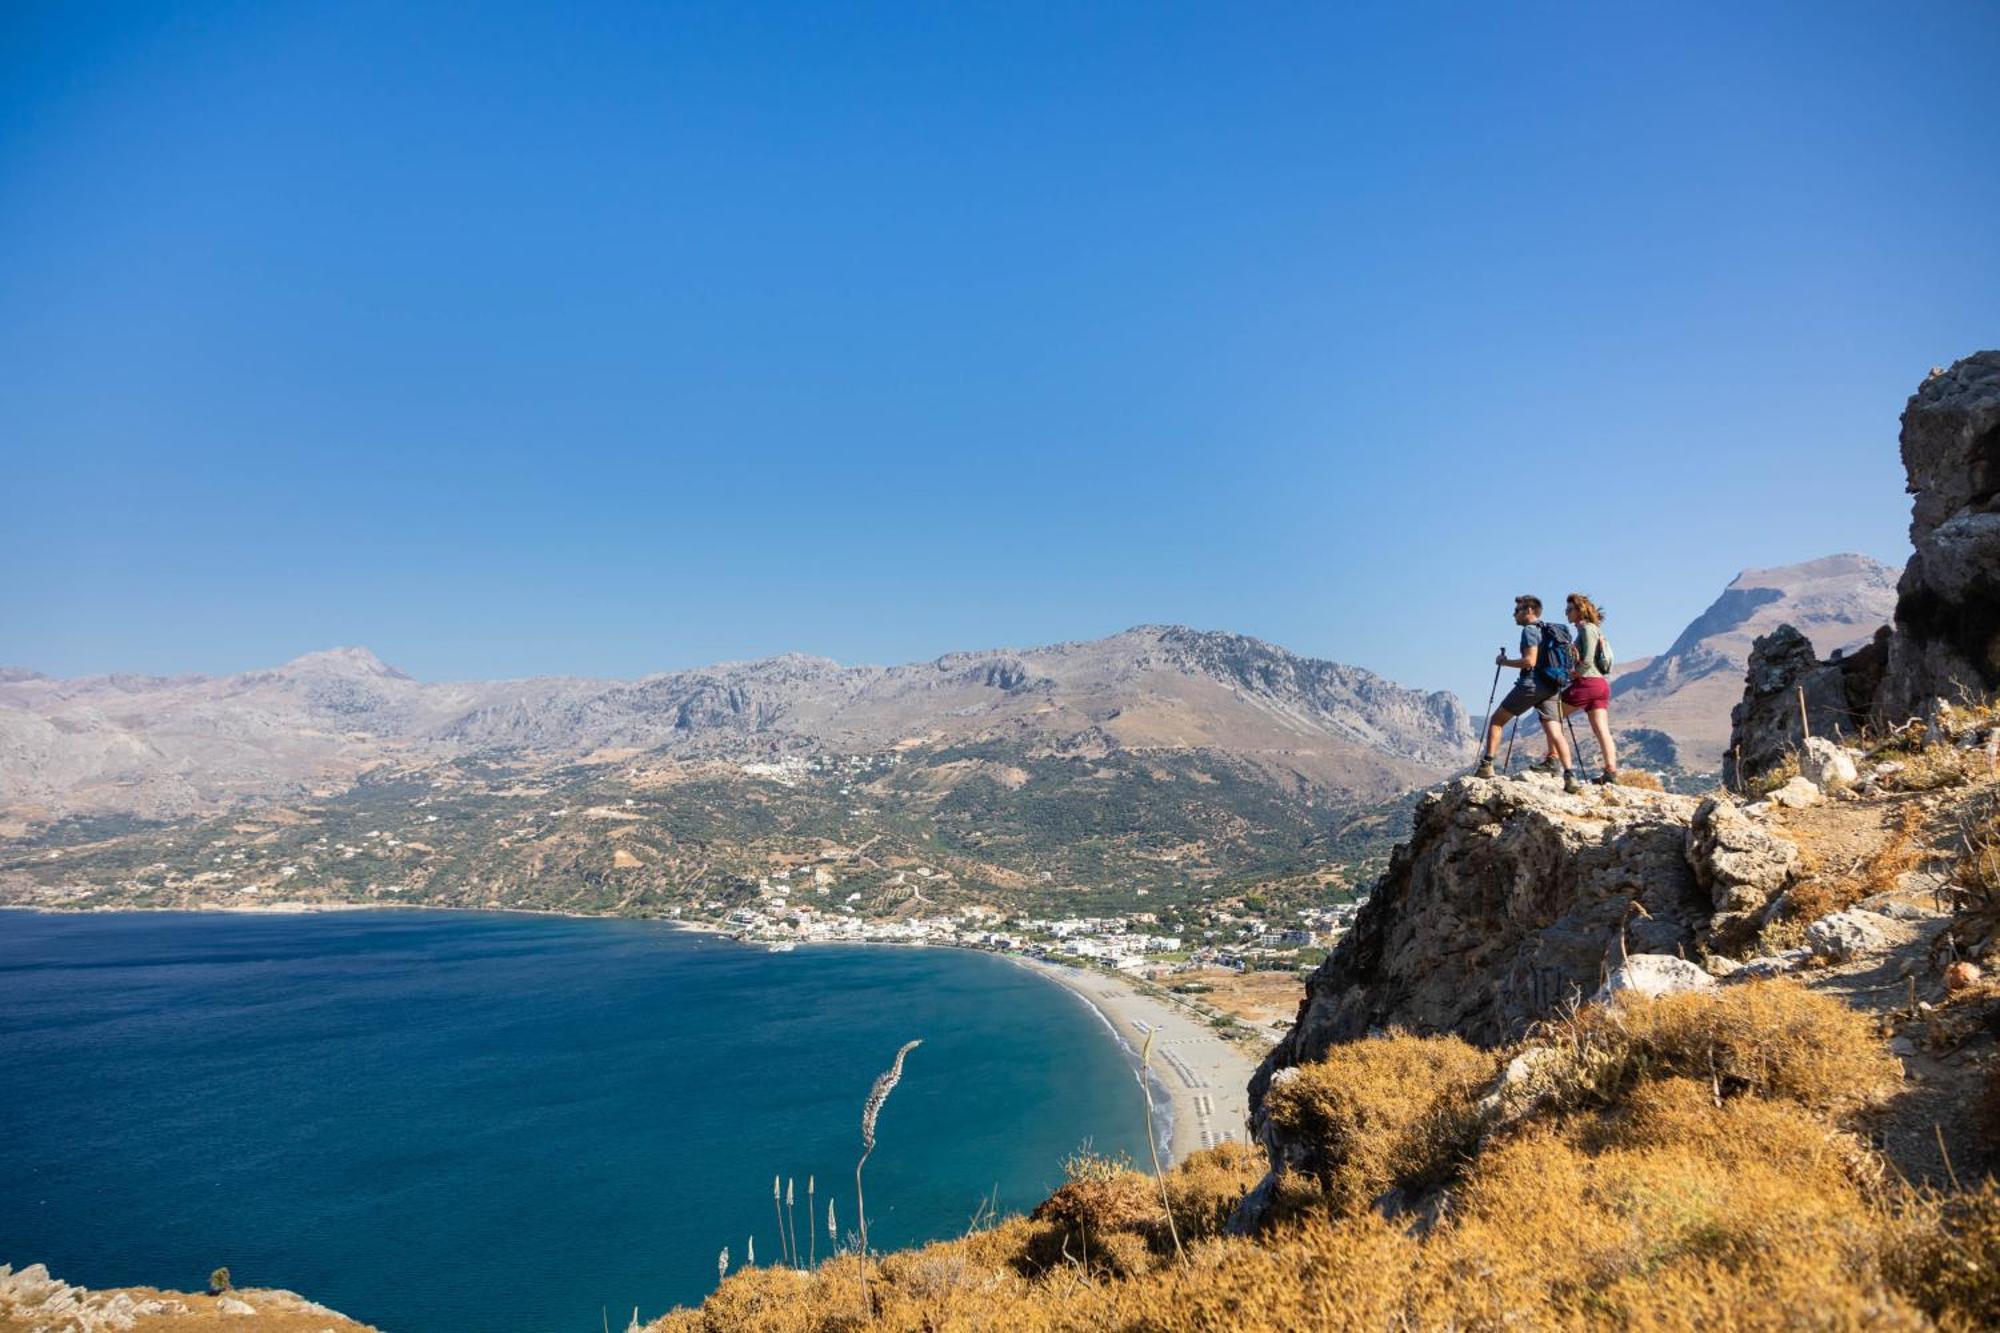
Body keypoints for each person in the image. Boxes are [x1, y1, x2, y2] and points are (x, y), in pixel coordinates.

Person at [1473, 595, 1580, 793]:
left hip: (1532, 684)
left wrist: (1503, 662)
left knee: (1497, 720)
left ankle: (1487, 765)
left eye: (1518, 610)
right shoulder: (1553, 630)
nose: (1514, 615)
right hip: (1552, 685)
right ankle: (1570, 776)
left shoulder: (1530, 630)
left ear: (1529, 611)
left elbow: (1529, 661)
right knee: (1556, 732)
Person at [1559, 592, 1618, 783]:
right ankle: (1610, 772)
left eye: (1569, 609)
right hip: (1600, 685)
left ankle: (1552, 759)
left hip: (1587, 683)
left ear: (1579, 611)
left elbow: (1587, 658)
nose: (1566, 613)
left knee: (1551, 714)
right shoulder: (1592, 629)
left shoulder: (1586, 629)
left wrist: (1574, 673)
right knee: (1601, 729)